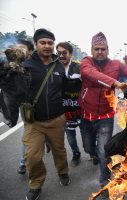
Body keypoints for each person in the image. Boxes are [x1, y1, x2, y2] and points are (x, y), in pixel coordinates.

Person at [78, 32, 127, 199]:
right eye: (97, 49)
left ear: (108, 49)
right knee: (88, 148)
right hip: (86, 115)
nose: (100, 52)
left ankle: (104, 184)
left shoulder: (116, 64)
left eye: (103, 49)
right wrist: (115, 83)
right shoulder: (86, 62)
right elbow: (91, 74)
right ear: (91, 49)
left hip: (105, 116)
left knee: (103, 152)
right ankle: (91, 153)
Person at [22, 28, 70, 200]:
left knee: (59, 151)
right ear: (36, 45)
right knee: (32, 156)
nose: (47, 46)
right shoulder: (26, 65)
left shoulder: (59, 65)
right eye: (43, 42)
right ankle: (36, 184)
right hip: (34, 122)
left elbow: (64, 89)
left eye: (50, 43)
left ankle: (63, 172)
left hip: (57, 119)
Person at [56, 42, 82, 167]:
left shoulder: (79, 67)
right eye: (59, 53)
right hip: (64, 109)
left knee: (87, 135)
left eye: (64, 53)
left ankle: (93, 152)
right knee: (70, 137)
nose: (61, 55)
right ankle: (76, 154)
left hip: (81, 108)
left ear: (70, 54)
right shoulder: (54, 68)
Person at [14, 39, 34, 175]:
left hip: (44, 107)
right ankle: (23, 162)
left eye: (22, 48)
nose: (19, 51)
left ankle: (47, 144)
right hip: (26, 107)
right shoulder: (13, 65)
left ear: (30, 52)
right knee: (27, 135)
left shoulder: (36, 64)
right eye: (17, 48)